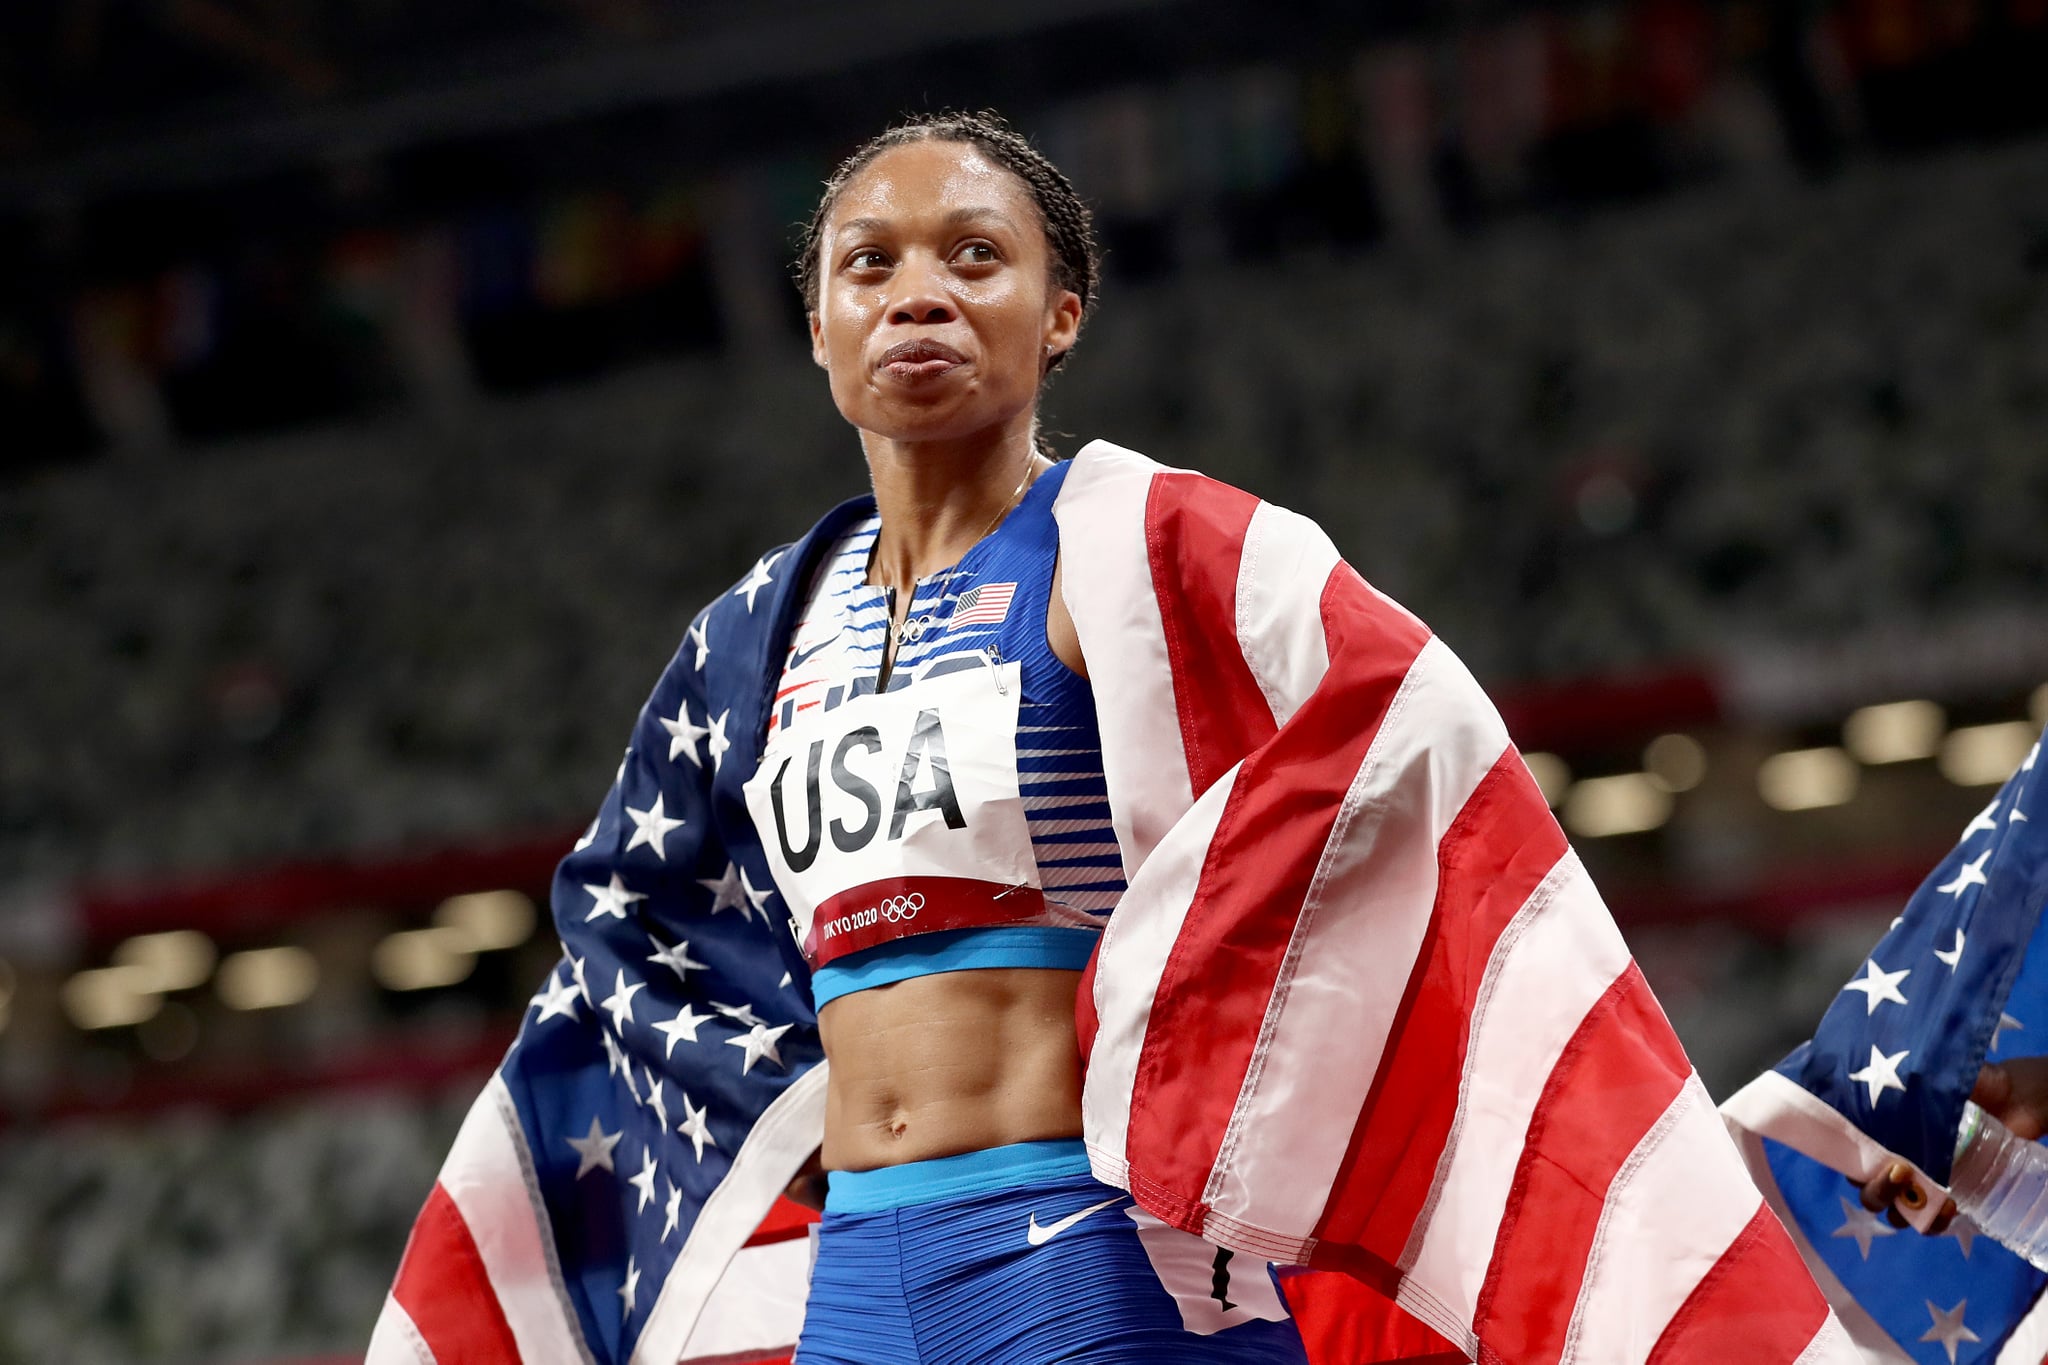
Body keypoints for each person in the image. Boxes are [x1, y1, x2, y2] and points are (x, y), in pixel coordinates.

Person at [373, 111, 1852, 1365]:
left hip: (1085, 1253)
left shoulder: (1141, 549)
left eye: (975, 256)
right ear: (818, 324)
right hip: (857, 1272)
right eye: (867, 265)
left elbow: (1402, 718)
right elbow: (634, 935)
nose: (918, 295)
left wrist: (1193, 1023)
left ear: (1059, 311)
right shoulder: (753, 637)